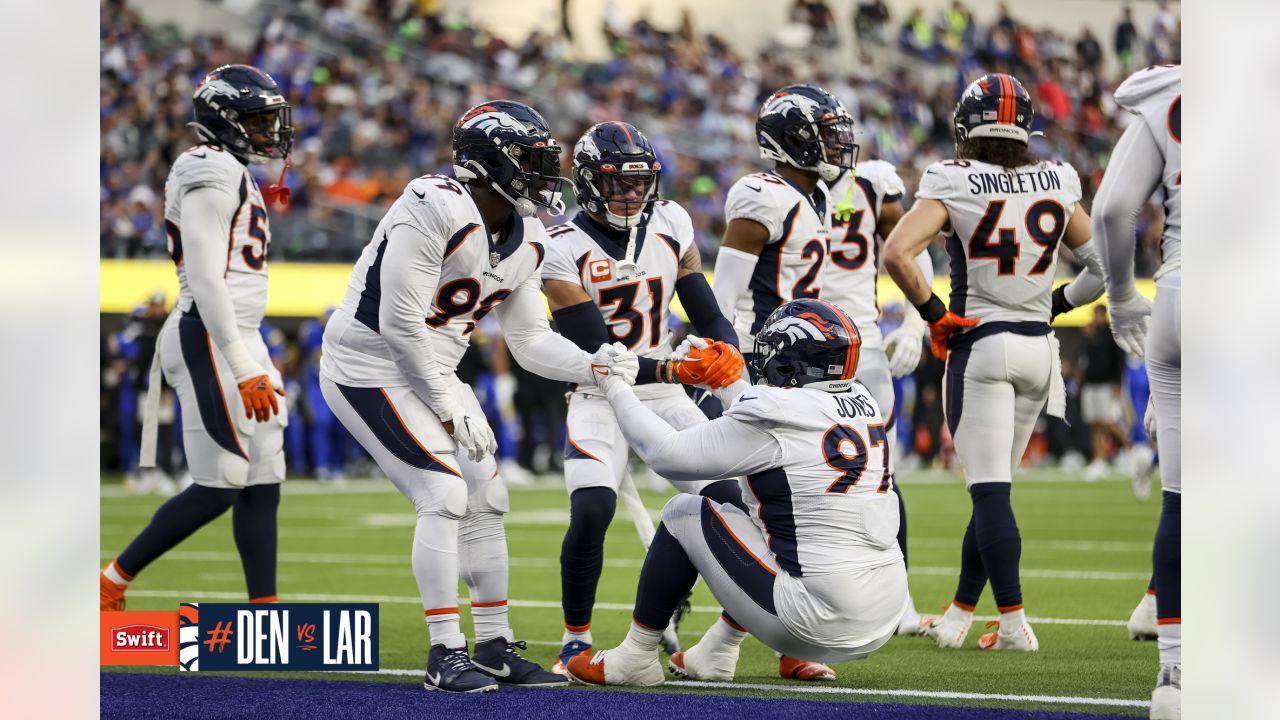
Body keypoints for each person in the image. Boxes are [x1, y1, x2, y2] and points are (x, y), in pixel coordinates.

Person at [319, 100, 624, 693]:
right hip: (367, 364)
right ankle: (444, 653)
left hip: (431, 367)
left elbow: (531, 340)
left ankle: (491, 645)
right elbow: (400, 327)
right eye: (532, 162)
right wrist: (450, 400)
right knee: (443, 492)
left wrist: (596, 364)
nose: (544, 175)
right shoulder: (432, 206)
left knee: (488, 496)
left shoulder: (529, 233)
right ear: (489, 163)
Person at [564, 299, 907, 687]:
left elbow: (667, 455)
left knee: (683, 513)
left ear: (792, 360)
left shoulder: (779, 411)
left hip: (816, 620)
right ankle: (719, 648)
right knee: (753, 514)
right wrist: (722, 381)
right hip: (885, 611)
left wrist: (614, 386)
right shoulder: (862, 401)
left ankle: (636, 657)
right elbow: (779, 420)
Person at [883, 73, 1106, 652]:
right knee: (995, 491)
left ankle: (1012, 622)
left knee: (988, 494)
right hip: (1039, 348)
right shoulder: (1056, 177)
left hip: (981, 345)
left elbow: (898, 253)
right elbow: (1102, 267)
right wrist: (1055, 303)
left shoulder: (952, 178)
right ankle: (960, 613)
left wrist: (933, 314)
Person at [541, 121, 746, 674]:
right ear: (587, 183)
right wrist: (683, 366)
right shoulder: (558, 245)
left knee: (733, 500)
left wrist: (730, 353)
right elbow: (596, 343)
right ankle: (574, 639)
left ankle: (713, 633)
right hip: (597, 387)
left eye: (639, 182)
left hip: (664, 389)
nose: (631, 194)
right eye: (617, 183)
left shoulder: (672, 220)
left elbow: (702, 307)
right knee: (592, 508)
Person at [100, 65, 294, 612]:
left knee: (264, 471)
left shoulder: (232, 169)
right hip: (209, 331)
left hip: (239, 331)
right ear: (224, 121)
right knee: (224, 478)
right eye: (258, 121)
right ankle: (108, 582)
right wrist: (242, 362)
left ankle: (266, 609)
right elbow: (208, 278)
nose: (269, 132)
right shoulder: (206, 166)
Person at [710, 83, 858, 681]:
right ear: (791, 137)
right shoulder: (762, 193)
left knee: (789, 506)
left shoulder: (811, 194)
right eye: (824, 131)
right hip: (753, 364)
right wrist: (733, 368)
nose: (836, 144)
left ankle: (756, 640)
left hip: (793, 368)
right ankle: (670, 632)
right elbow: (722, 296)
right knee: (745, 503)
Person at [1091, 64, 1180, 720]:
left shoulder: (1171, 91)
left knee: (1182, 497)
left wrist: (1123, 296)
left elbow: (1114, 209)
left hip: (1177, 292)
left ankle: (1174, 677)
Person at [824, 158, 933, 635]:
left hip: (858, 343)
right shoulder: (769, 194)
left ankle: (899, 601)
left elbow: (912, 248)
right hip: (794, 345)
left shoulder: (868, 184)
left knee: (882, 476)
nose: (833, 147)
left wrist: (915, 322)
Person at [1079, 305, 1131, 480]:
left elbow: (1119, 360)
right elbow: (1085, 360)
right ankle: (1099, 461)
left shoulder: (1112, 334)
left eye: (1099, 314)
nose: (1097, 317)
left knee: (1108, 422)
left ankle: (1131, 451)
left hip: (1106, 384)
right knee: (1094, 424)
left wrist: (1117, 384)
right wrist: (1087, 337)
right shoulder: (1091, 334)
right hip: (1091, 385)